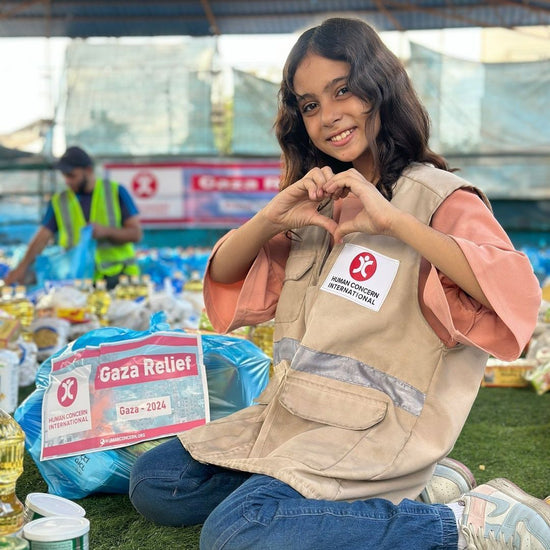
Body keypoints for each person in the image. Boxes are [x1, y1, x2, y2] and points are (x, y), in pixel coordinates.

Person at [129, 17, 549, 549]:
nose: (328, 117)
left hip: (378, 435)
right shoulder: (317, 202)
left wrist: (396, 223)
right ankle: (420, 493)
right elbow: (226, 276)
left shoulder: (440, 198)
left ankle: (468, 527)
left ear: (380, 89)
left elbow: (516, 296)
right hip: (290, 419)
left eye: (342, 90)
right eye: (309, 105)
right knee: (155, 482)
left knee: (238, 533)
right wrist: (271, 217)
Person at [4, 146, 142, 288]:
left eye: (71, 175)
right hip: (79, 281)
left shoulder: (115, 191)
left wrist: (106, 232)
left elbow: (136, 234)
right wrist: (21, 269)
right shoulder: (59, 201)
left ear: (88, 170)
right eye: (65, 176)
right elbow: (41, 238)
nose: (67, 181)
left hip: (119, 277)